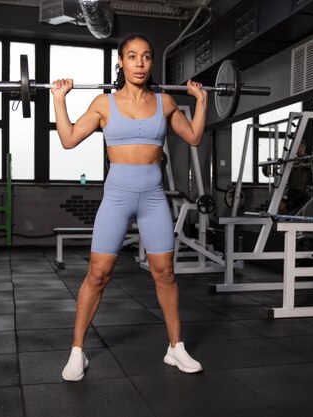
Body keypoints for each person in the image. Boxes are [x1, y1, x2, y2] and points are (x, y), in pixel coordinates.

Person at [51, 33, 207, 382]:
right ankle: (77, 351)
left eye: (146, 57)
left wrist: (201, 100)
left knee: (165, 272)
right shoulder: (104, 104)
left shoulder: (165, 102)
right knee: (98, 273)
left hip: (153, 196)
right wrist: (59, 99)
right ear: (120, 61)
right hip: (117, 196)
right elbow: (68, 138)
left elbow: (194, 136)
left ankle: (175, 347)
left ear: (152, 63)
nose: (139, 63)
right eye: (132, 56)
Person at [279, 140, 313, 214]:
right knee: (281, 207)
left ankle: (286, 220)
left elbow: (312, 165)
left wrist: (304, 165)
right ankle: (283, 222)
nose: (297, 148)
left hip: (299, 189)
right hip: (291, 188)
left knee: (283, 206)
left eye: (298, 146)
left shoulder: (307, 158)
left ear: (303, 147)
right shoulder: (293, 159)